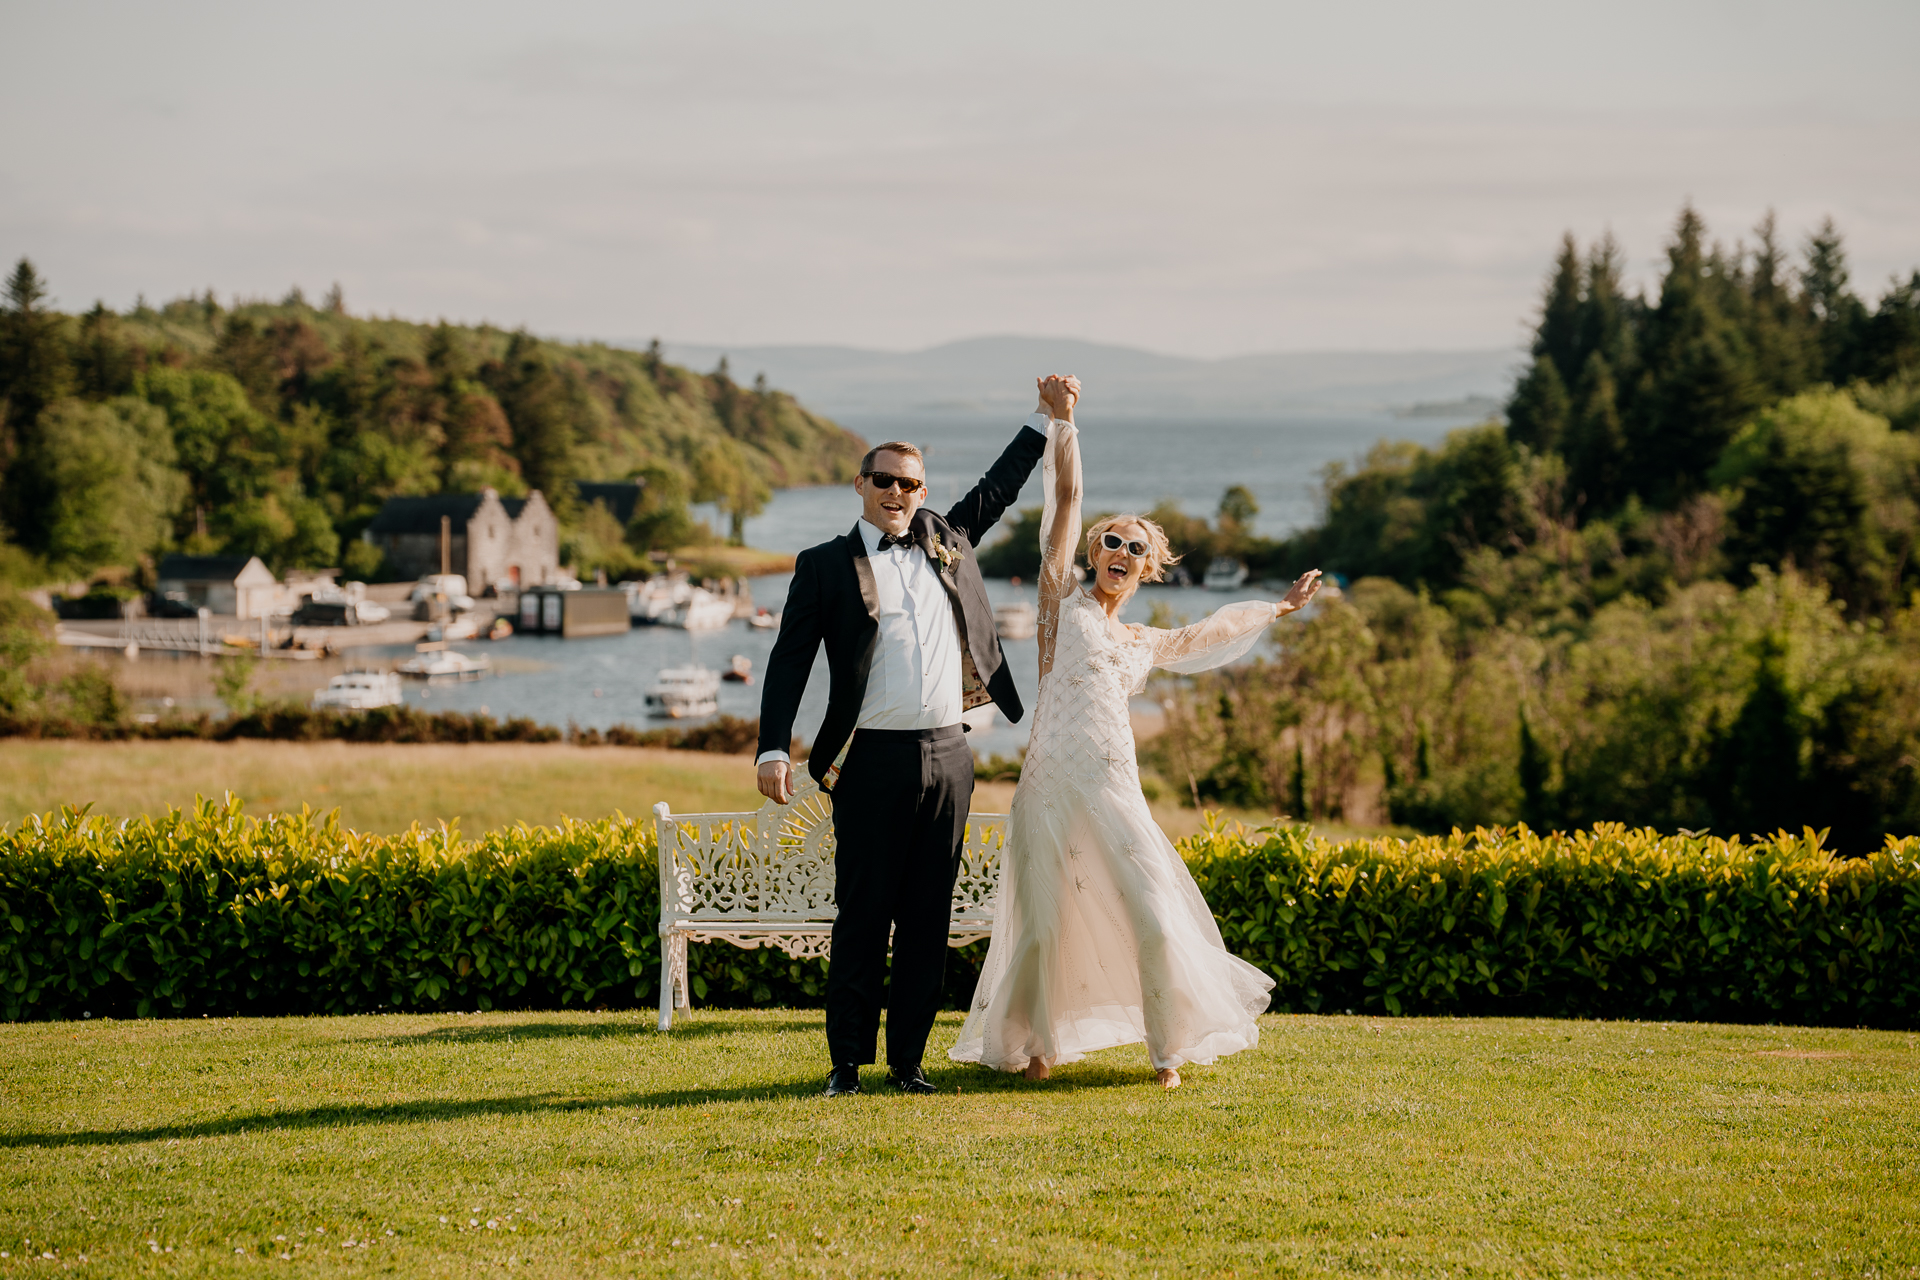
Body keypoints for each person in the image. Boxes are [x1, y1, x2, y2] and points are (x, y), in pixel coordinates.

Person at [949, 382, 1322, 1089]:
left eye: (1135, 547)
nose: (1121, 549)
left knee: (1153, 916)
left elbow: (1205, 633)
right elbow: (1064, 505)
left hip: (1114, 789)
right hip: (1049, 789)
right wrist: (1066, 425)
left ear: (1148, 568)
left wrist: (1276, 607)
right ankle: (1037, 1049)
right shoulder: (1062, 605)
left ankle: (1165, 1052)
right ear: (1095, 552)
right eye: (1112, 540)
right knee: (1042, 926)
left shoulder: (1144, 640)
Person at [755, 376, 1079, 1097]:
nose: (898, 492)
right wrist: (773, 746)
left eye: (911, 483)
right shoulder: (823, 566)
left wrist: (1048, 418)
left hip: (949, 756)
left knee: (929, 919)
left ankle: (908, 1064)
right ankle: (846, 1065)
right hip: (867, 759)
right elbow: (788, 662)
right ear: (861, 484)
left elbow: (999, 489)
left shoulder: (947, 539)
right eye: (885, 480)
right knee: (864, 916)